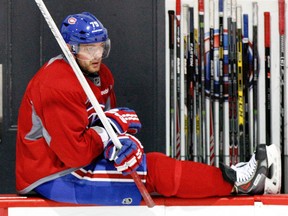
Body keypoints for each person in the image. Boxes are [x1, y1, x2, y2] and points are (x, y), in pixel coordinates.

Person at [15, 12, 281, 206]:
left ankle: (234, 175)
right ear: (70, 49)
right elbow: (76, 153)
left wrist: (120, 143)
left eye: (100, 47)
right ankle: (240, 182)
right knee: (153, 171)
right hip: (53, 175)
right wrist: (113, 129)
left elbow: (103, 125)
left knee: (150, 162)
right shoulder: (56, 85)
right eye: (88, 48)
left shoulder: (101, 74)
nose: (96, 55)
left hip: (76, 163)